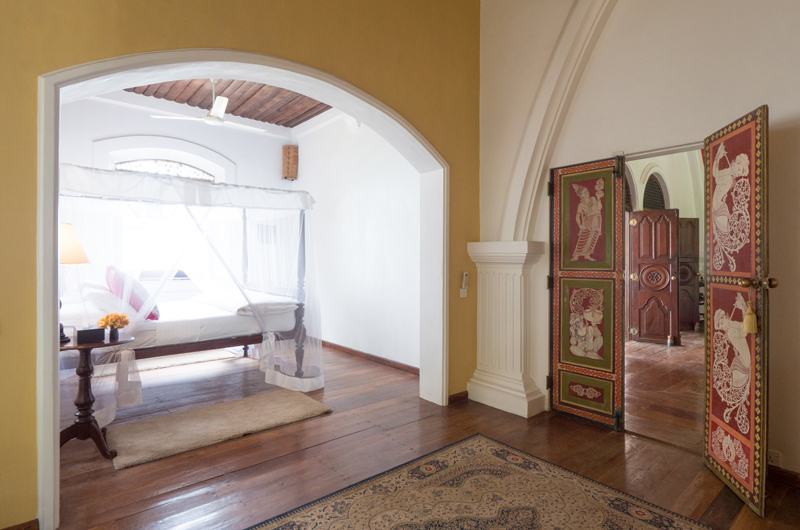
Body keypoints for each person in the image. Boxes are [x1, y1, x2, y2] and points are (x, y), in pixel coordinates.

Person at [712, 142, 749, 235]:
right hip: (717, 206)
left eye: (740, 174)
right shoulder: (728, 176)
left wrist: (718, 157)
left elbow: (716, 175)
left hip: (718, 206)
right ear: (735, 164)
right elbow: (715, 174)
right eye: (739, 170)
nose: (738, 174)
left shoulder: (728, 175)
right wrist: (717, 157)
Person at [571, 183, 603, 261]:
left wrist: (598, 198)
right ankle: (576, 255)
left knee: (593, 238)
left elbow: (599, 208)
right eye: (584, 192)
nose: (587, 193)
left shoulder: (593, 199)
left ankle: (587, 255)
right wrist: (580, 225)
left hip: (597, 221)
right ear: (581, 195)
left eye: (586, 191)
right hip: (588, 222)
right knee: (584, 238)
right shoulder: (581, 205)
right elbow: (577, 216)